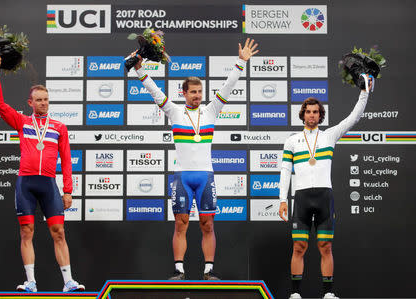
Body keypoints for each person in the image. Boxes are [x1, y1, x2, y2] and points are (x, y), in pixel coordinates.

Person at [132, 38, 258, 280]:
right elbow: (154, 91)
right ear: (184, 93)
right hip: (182, 177)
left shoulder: (211, 111)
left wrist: (240, 63)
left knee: (208, 225)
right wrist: (139, 70)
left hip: (205, 176)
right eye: (193, 92)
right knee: (180, 225)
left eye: (200, 92)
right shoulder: (174, 111)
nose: (198, 96)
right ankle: (178, 270)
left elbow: (228, 87)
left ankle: (209, 271)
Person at [0, 56, 85, 292]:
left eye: (46, 100)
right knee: (26, 232)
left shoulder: (59, 127)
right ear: (30, 102)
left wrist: (69, 190)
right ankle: (30, 282)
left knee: (59, 232)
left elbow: (67, 160)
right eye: (39, 100)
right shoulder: (22, 122)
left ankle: (68, 282)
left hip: (49, 184)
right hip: (26, 184)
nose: (44, 103)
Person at [278, 75, 374, 299]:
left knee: (326, 247)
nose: (312, 115)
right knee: (299, 247)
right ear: (303, 114)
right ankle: (295, 294)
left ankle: (329, 293)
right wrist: (283, 199)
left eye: (316, 111)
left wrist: (364, 92)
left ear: (321, 115)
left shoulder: (330, 136)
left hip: (324, 198)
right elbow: (285, 172)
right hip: (301, 199)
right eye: (308, 111)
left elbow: (354, 117)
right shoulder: (291, 141)